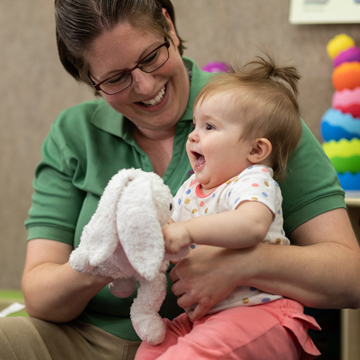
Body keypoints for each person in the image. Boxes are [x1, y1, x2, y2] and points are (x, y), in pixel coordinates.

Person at [0, 1, 359, 359]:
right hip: (95, 339)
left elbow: (349, 277)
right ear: (91, 81)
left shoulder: (251, 113)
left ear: (168, 26)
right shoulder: (73, 133)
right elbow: (40, 296)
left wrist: (243, 264)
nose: (143, 85)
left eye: (151, 56)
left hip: (220, 335)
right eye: (115, 78)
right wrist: (108, 259)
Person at [135, 56, 321, 359]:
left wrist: (185, 231)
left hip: (260, 314)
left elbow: (251, 226)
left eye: (209, 126)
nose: (193, 135)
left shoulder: (252, 180)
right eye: (195, 124)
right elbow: (166, 232)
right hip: (206, 318)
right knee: (154, 347)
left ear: (256, 150)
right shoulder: (190, 188)